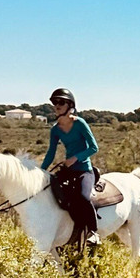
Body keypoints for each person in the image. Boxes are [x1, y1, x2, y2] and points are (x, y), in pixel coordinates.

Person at [41, 88, 101, 245]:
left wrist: (76, 158)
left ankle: (93, 232)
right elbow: (50, 153)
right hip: (68, 170)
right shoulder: (55, 130)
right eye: (54, 102)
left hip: (84, 170)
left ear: (70, 105)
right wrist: (40, 171)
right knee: (53, 195)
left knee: (83, 197)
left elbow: (94, 148)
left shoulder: (80, 124)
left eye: (61, 102)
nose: (57, 105)